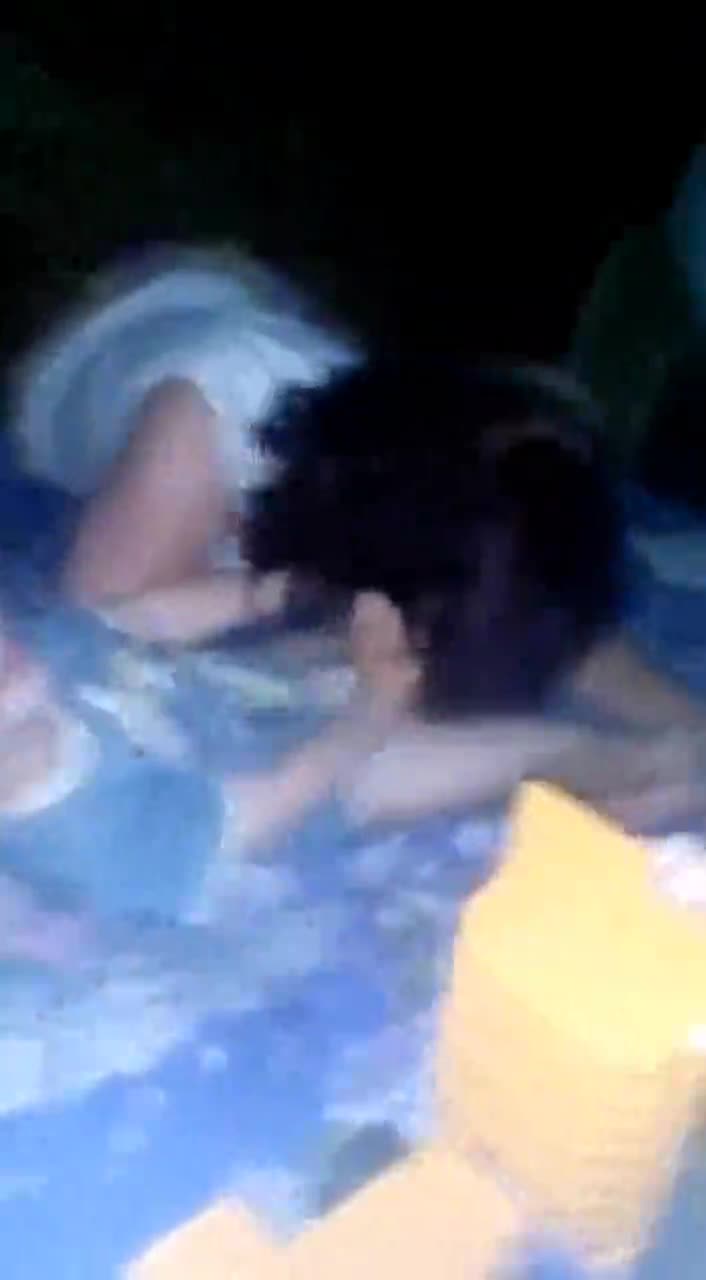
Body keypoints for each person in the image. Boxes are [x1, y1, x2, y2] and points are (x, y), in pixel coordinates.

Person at [9, 245, 359, 643]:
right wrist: (285, 593)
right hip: (94, 336)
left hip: (247, 313)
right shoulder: (234, 398)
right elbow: (88, 629)